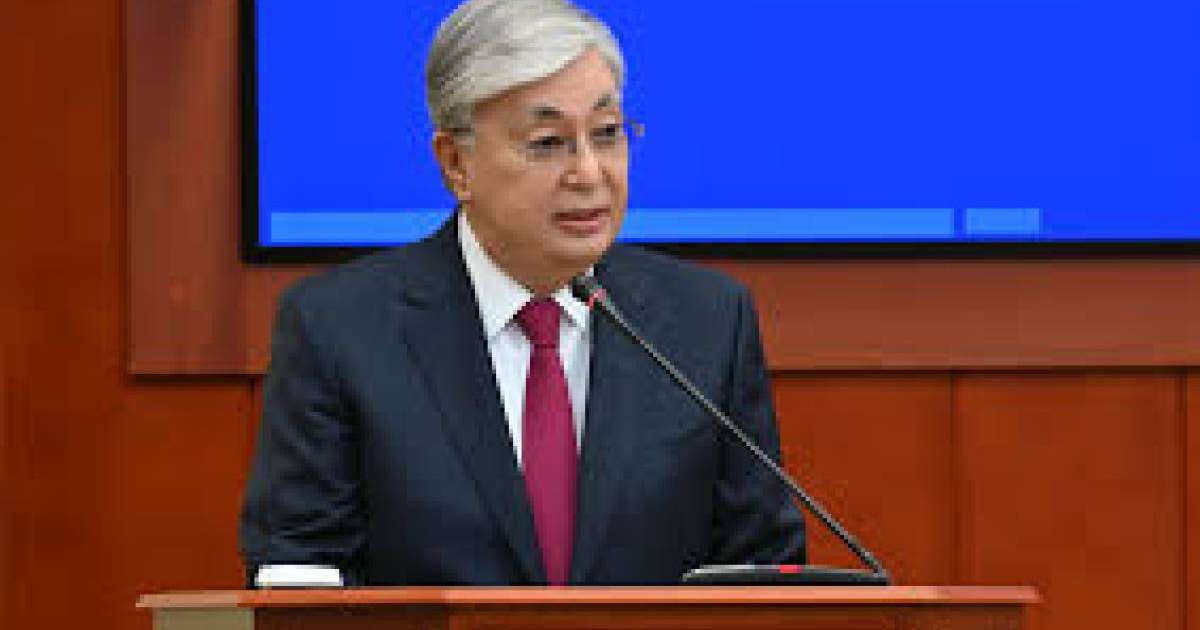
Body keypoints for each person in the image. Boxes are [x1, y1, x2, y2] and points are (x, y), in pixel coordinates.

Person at [239, 0, 805, 587]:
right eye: (547, 142)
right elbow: (302, 572)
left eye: (607, 134)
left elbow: (762, 571)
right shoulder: (340, 331)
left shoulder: (707, 322)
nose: (589, 173)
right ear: (455, 164)